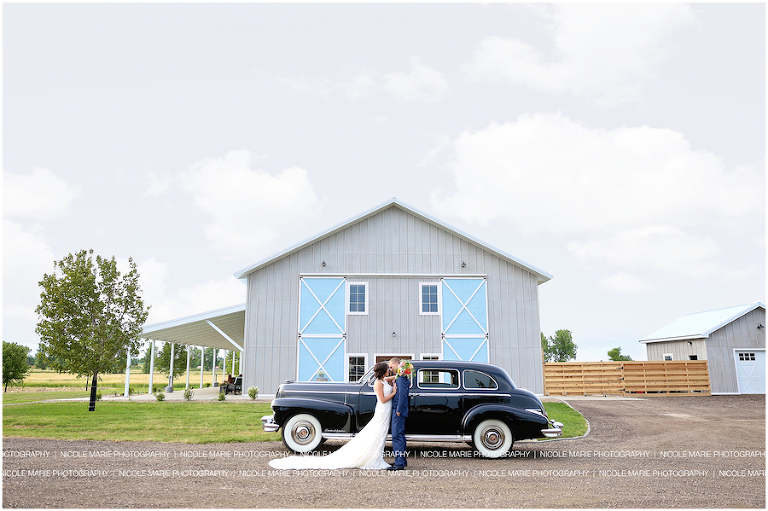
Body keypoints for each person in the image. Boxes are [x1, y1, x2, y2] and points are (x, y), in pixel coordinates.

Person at [268, 362, 396, 470]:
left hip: (385, 410)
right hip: (383, 408)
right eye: (387, 369)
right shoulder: (378, 383)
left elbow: (388, 381)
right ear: (383, 372)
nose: (389, 371)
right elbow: (383, 399)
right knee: (378, 433)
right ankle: (374, 458)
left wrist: (399, 375)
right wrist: (394, 392)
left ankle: (375, 457)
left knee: (380, 433)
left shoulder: (383, 380)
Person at [387, 357, 410, 471]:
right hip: (398, 409)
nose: (391, 369)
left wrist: (399, 410)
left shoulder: (401, 379)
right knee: (399, 435)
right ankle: (401, 460)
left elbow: (402, 396)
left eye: (391, 367)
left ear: (396, 364)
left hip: (398, 410)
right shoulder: (401, 377)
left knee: (397, 435)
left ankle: (399, 463)